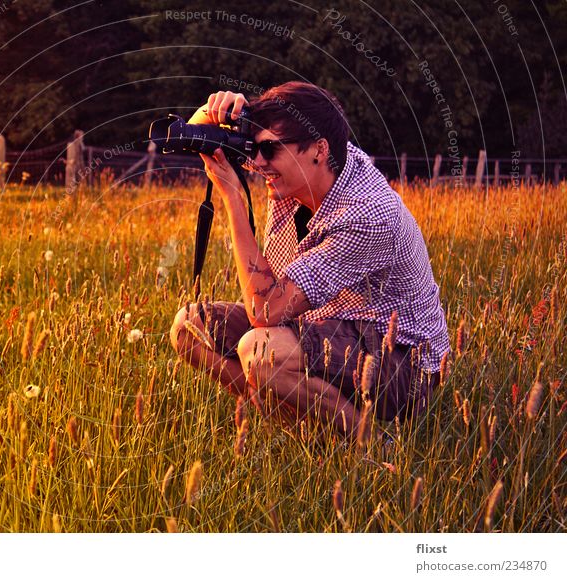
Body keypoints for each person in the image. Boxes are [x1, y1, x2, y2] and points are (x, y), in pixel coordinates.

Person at [169, 81, 450, 441]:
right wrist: (219, 114)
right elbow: (193, 134)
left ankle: (373, 446)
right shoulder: (308, 164)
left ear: (318, 150)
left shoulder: (367, 216)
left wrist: (233, 199)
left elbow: (265, 313)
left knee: (261, 350)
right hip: (326, 328)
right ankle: (312, 433)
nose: (257, 163)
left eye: (268, 150)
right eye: (255, 148)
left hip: (402, 363)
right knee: (189, 326)